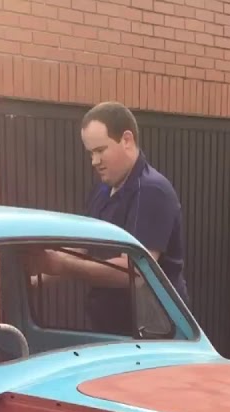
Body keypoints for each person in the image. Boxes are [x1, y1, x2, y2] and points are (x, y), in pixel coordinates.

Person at [26, 101, 188, 334]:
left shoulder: (152, 191)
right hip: (113, 329)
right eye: (91, 153)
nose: (94, 161)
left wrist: (61, 265)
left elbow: (134, 272)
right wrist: (37, 276)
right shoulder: (103, 191)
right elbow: (82, 245)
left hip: (154, 334)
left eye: (101, 150)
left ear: (127, 140)